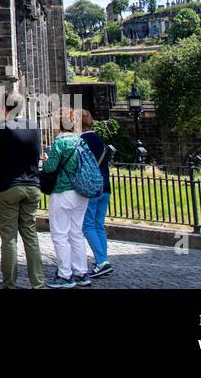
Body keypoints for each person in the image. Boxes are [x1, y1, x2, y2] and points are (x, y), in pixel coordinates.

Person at [0, 92, 45, 289]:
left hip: (7, 186)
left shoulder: (1, 127)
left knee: (9, 238)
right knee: (30, 236)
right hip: (32, 186)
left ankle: (10, 284)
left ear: (5, 107)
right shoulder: (34, 127)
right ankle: (38, 283)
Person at [41, 106, 89, 288]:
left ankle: (65, 275)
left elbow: (49, 168)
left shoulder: (60, 143)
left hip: (63, 192)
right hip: (81, 192)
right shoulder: (80, 141)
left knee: (60, 235)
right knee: (76, 233)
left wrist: (46, 161)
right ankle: (81, 272)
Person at [79, 108, 113, 279]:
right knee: (99, 225)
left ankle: (101, 262)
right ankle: (103, 260)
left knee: (88, 225)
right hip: (105, 188)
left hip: (92, 189)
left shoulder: (81, 141)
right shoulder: (100, 140)